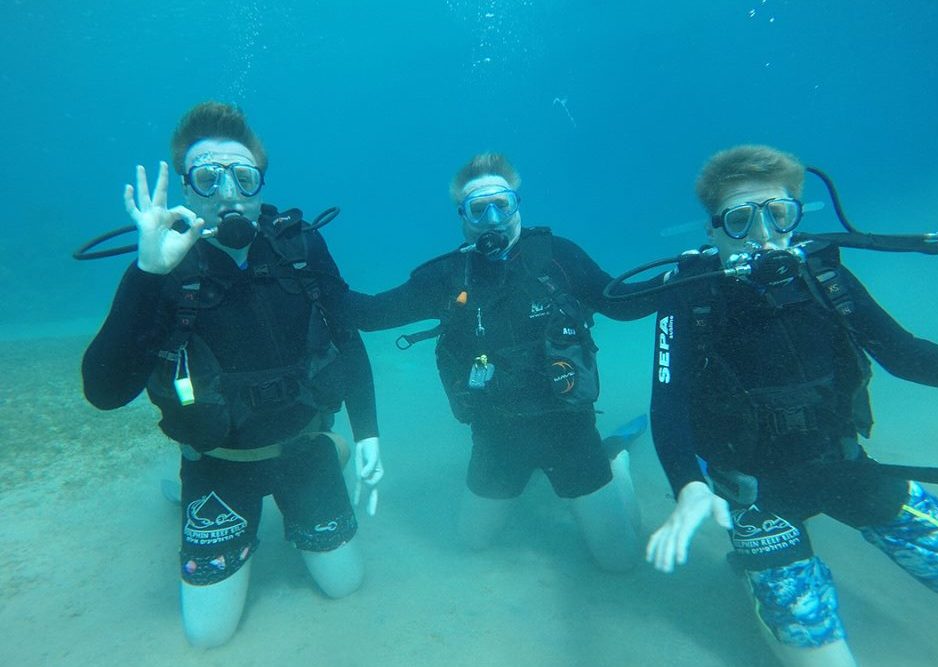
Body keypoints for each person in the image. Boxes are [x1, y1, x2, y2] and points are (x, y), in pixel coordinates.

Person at [81, 101, 384, 648]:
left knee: (345, 586)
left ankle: (333, 449)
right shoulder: (165, 264)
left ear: (260, 186)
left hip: (302, 447)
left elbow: (347, 335)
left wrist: (366, 432)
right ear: (185, 188)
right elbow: (104, 392)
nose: (227, 193)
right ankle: (181, 487)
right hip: (217, 463)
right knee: (209, 634)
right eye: (207, 176)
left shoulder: (300, 247)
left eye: (243, 177)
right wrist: (146, 274)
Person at [644, 144, 938, 666]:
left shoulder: (824, 278)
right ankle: (753, 571)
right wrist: (689, 487)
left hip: (843, 465)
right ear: (713, 230)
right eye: (742, 220)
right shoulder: (688, 298)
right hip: (755, 494)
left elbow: (903, 355)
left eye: (779, 215)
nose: (765, 235)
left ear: (796, 216)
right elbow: (669, 407)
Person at [346, 153, 656, 572]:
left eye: (502, 205)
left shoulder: (557, 257)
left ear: (517, 205)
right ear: (463, 217)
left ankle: (615, 462)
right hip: (495, 437)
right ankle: (531, 478)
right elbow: (371, 314)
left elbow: (619, 304)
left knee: (618, 561)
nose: (492, 218)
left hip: (570, 430)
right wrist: (308, 270)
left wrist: (682, 278)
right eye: (479, 209)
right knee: (472, 542)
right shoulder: (446, 277)